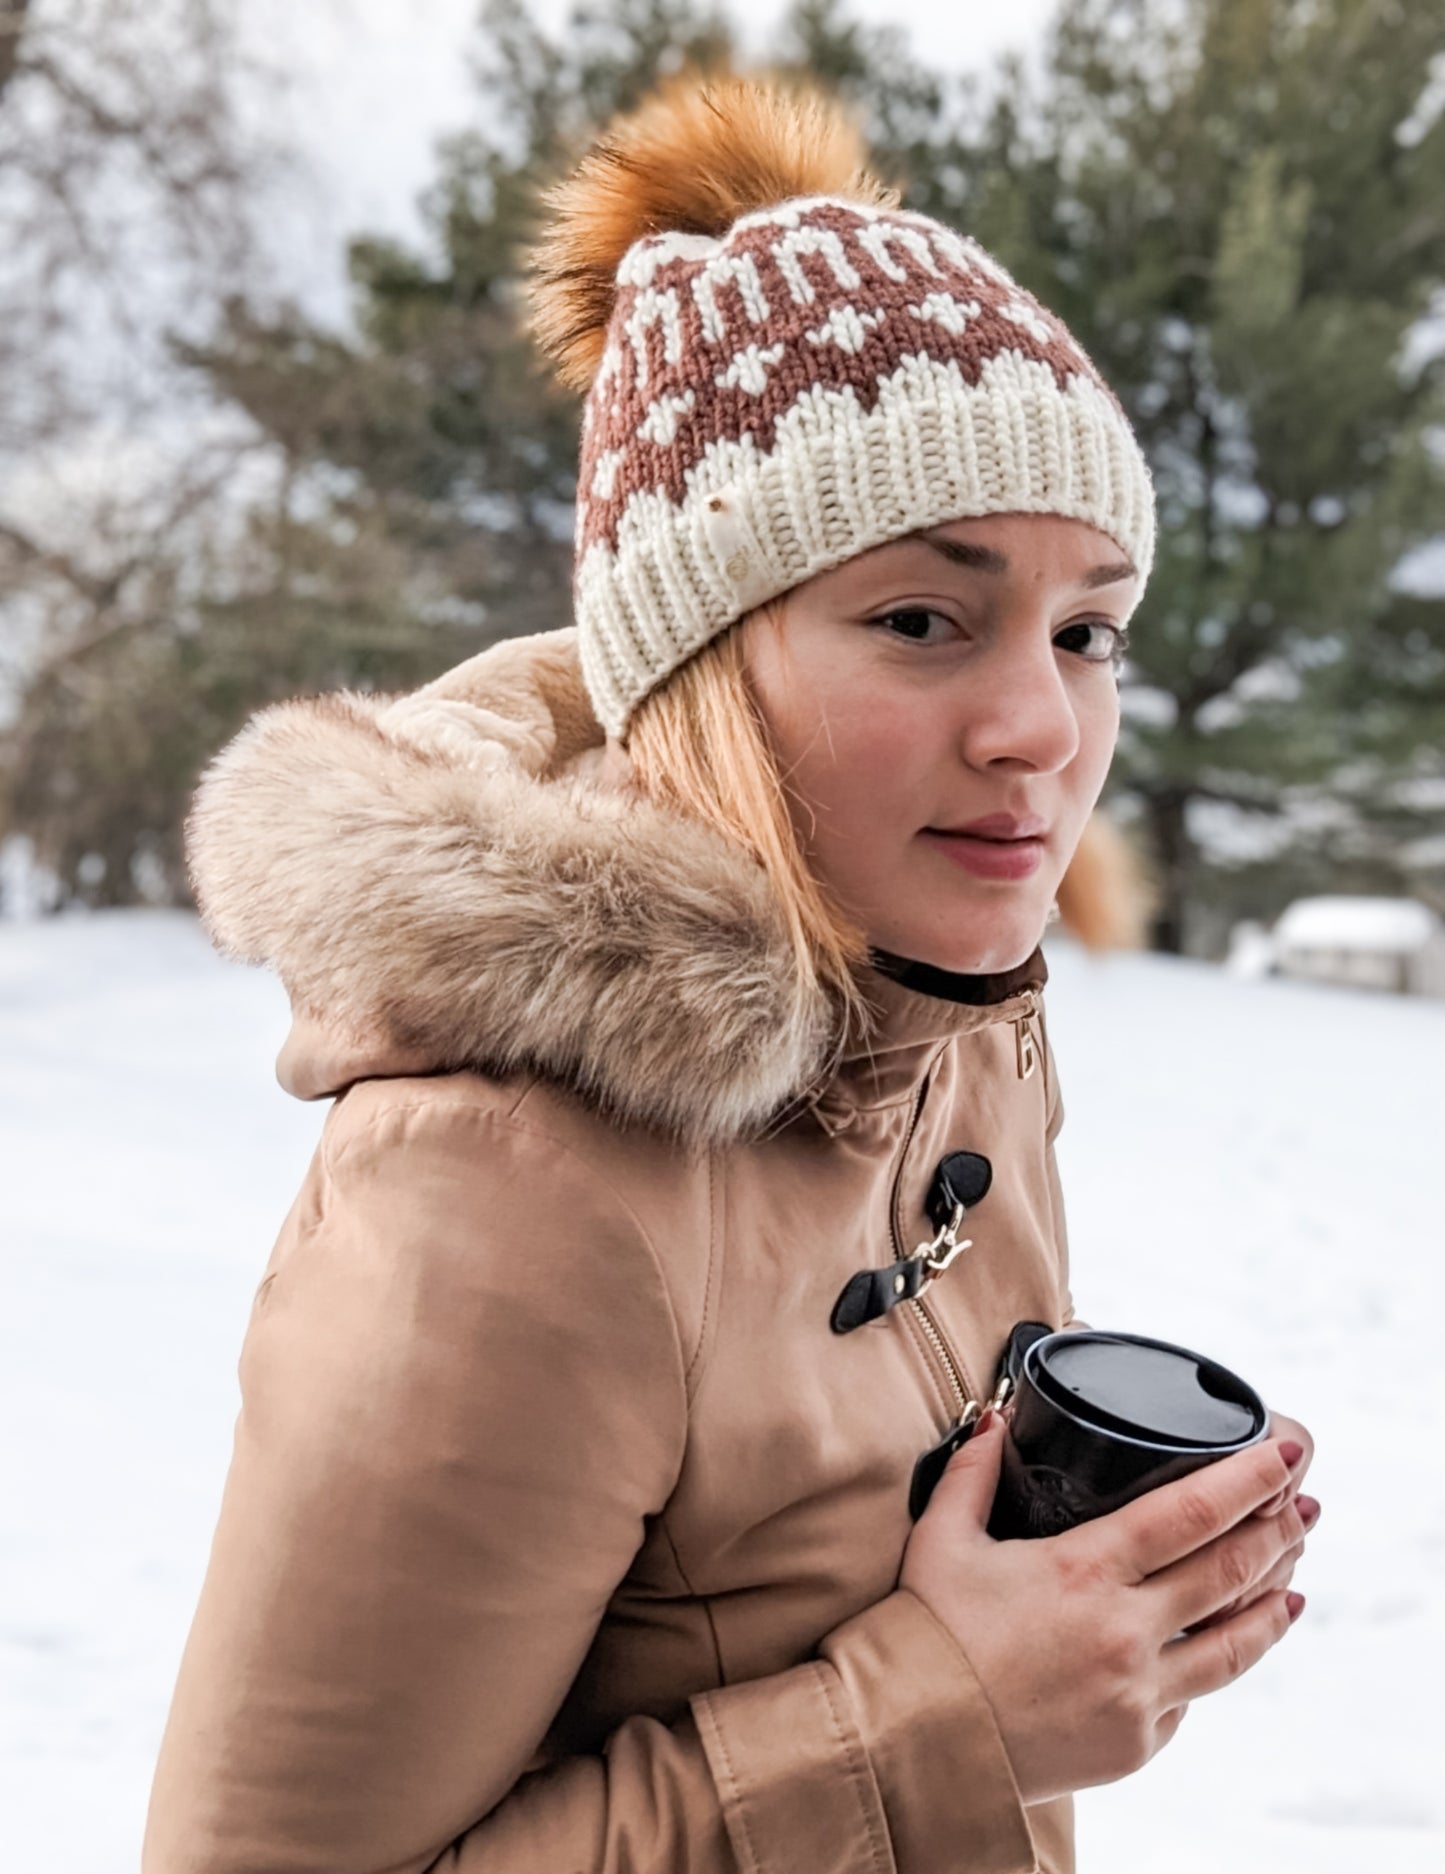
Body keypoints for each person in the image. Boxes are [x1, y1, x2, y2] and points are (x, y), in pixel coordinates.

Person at [142, 74, 1317, 1874]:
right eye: (924, 617)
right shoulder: (504, 1180)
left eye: (1086, 629)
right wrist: (947, 1717)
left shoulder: (958, 1028)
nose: (1039, 729)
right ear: (698, 670)